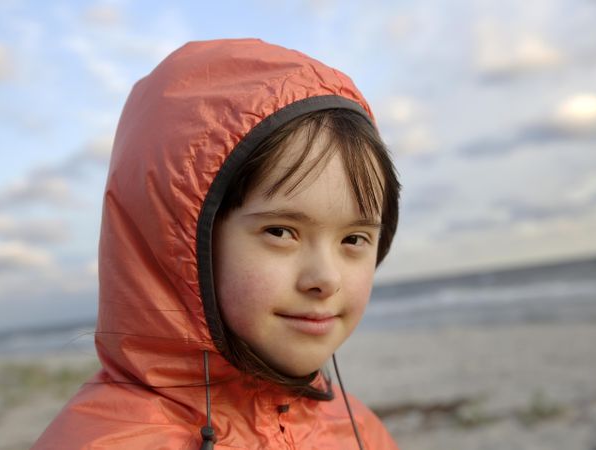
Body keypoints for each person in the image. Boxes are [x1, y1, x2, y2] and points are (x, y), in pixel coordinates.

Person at [33, 38, 401, 449]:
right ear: (182, 244)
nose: (326, 278)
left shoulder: (357, 431)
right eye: (280, 232)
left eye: (354, 238)